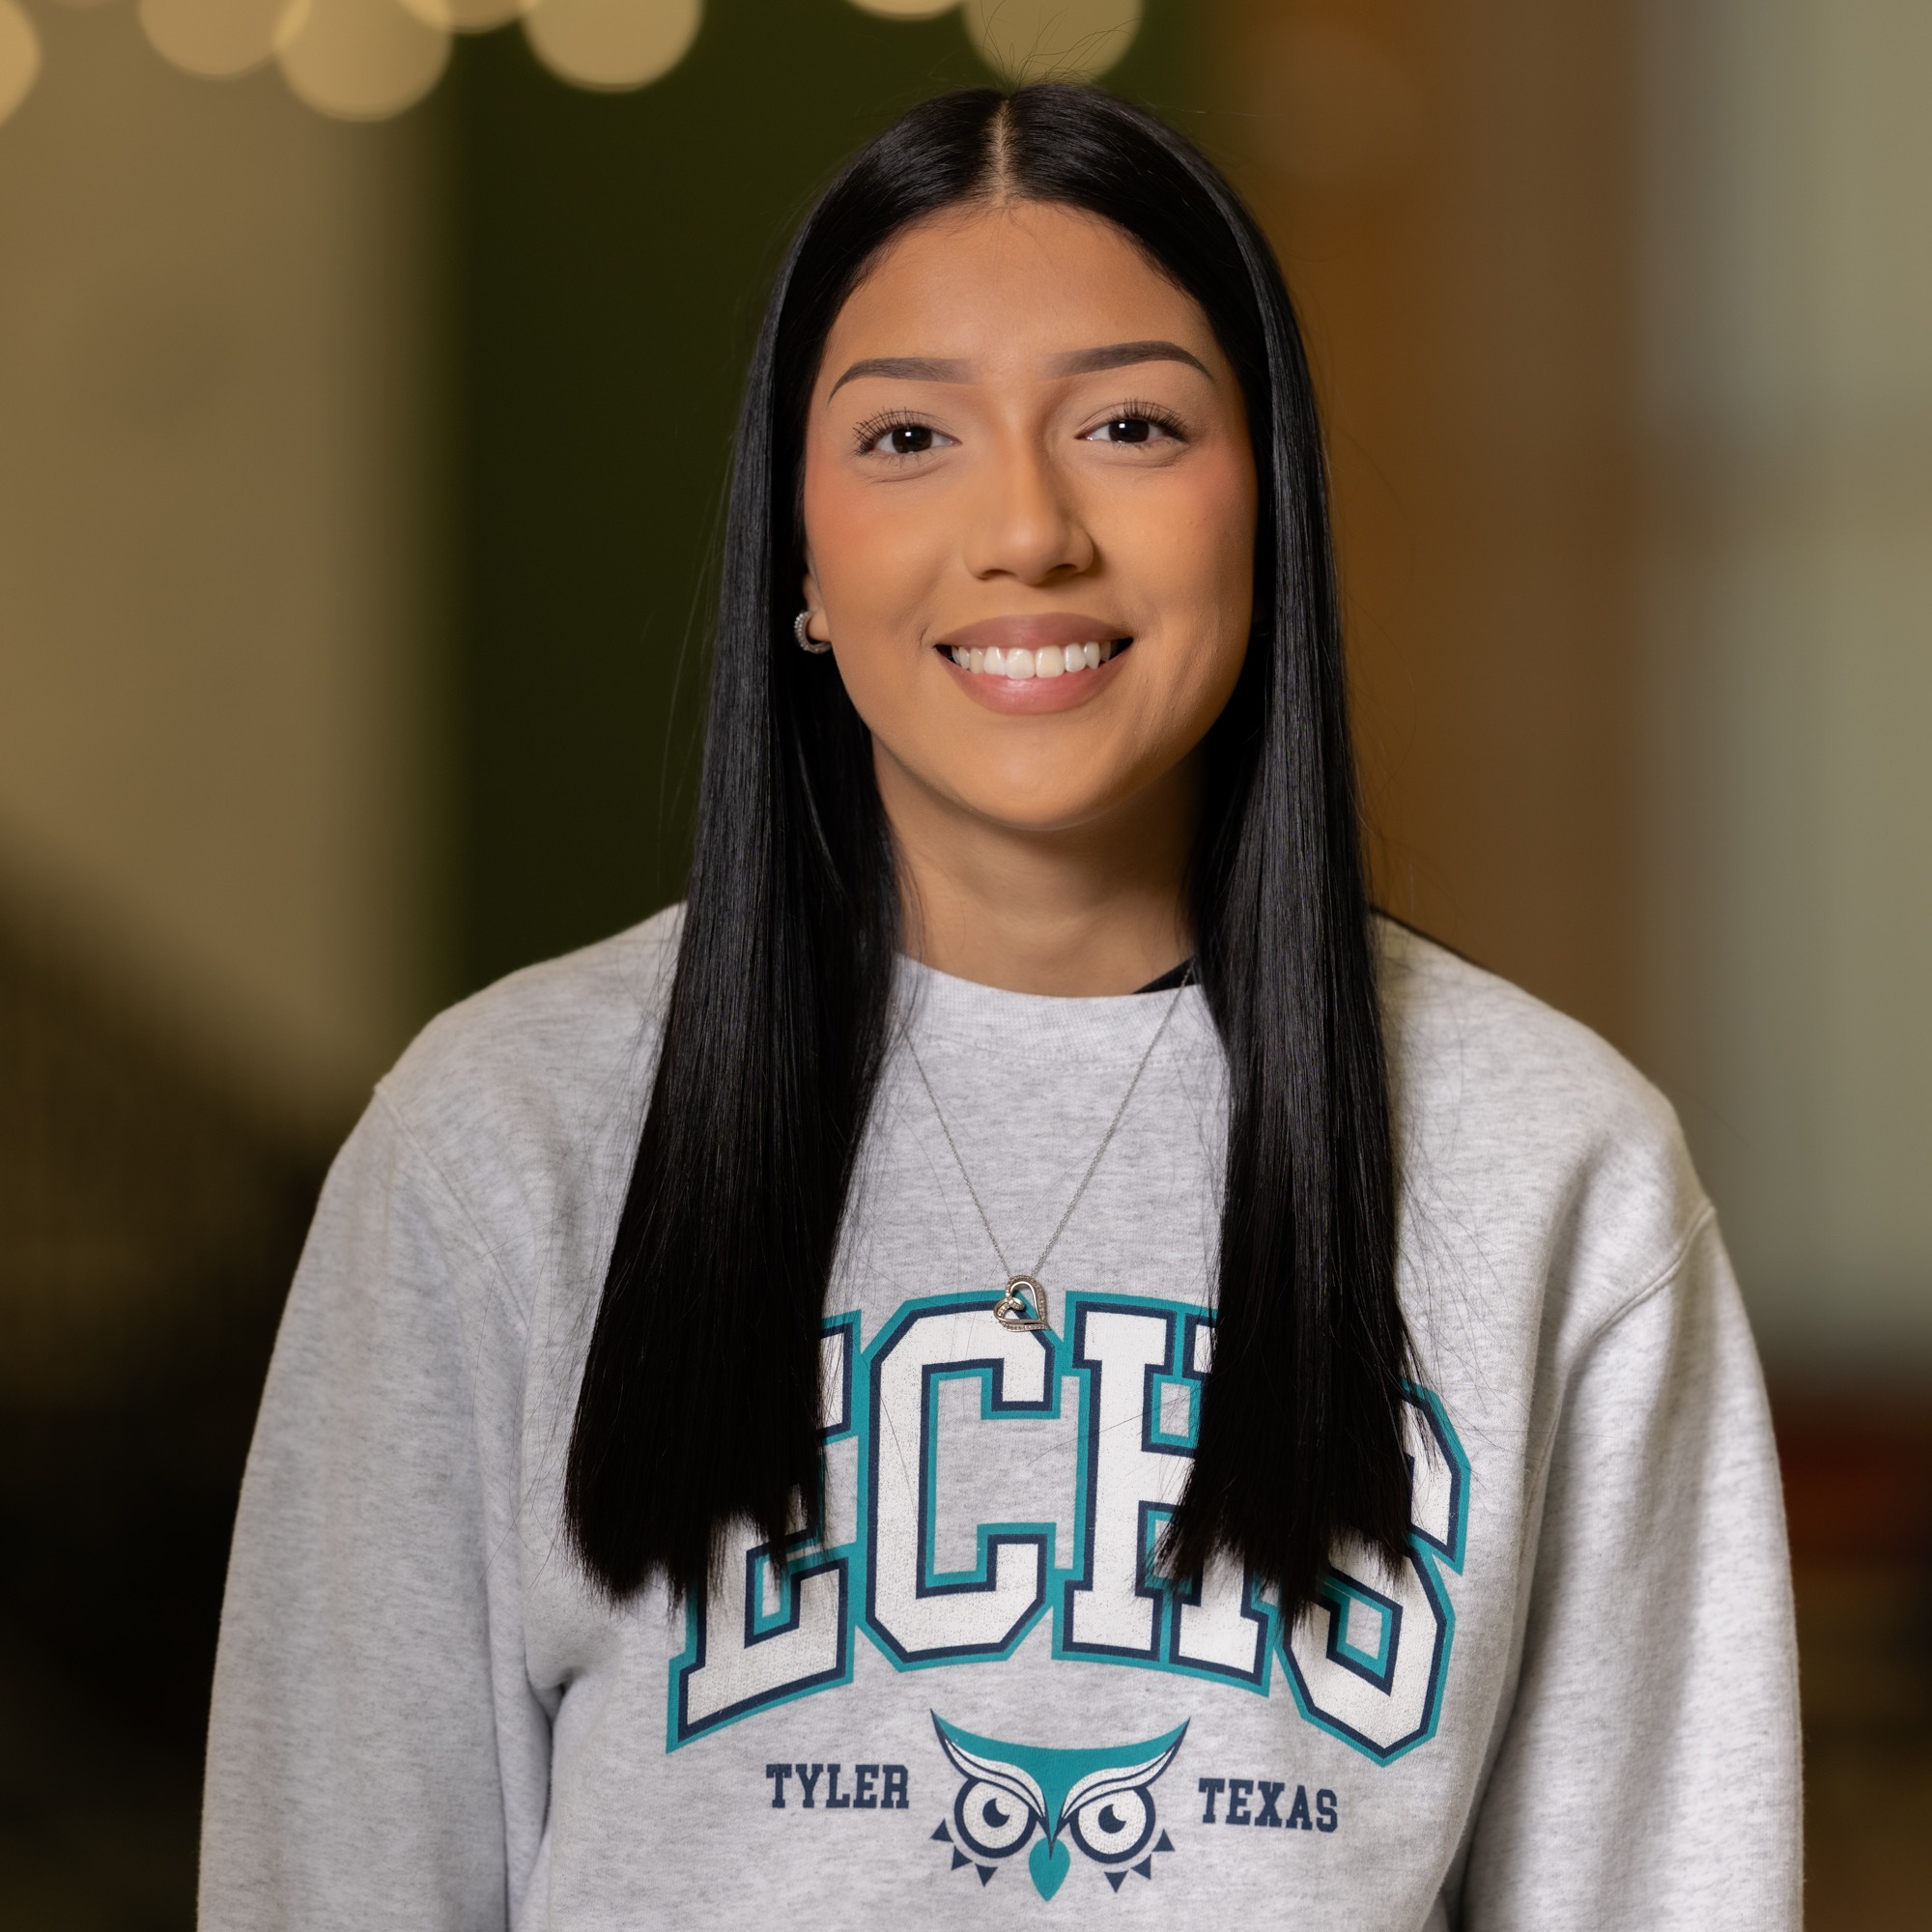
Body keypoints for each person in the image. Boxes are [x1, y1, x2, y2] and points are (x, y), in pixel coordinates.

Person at [199, 85, 1800, 1929]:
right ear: (800, 553)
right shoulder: (500, 1144)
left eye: (1129, 423)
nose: (1025, 530)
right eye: (907, 437)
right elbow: (331, 1885)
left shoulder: (1552, 1168)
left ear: (1263, 504)